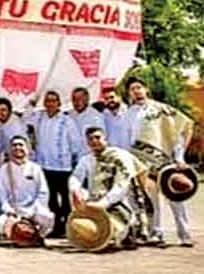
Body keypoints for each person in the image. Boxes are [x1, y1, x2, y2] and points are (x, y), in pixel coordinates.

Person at [124, 77, 195, 247]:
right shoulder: (128, 114)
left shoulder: (162, 109)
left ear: (146, 89)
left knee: (175, 197)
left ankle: (185, 234)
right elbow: (127, 139)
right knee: (151, 200)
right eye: (132, 89)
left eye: (139, 87)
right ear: (129, 93)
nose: (136, 91)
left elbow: (177, 133)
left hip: (165, 160)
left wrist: (179, 157)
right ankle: (156, 233)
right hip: (142, 163)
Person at [68, 126, 151, 251]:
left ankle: (129, 231)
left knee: (114, 231)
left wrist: (103, 203)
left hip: (120, 203)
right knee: (87, 227)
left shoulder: (121, 157)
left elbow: (122, 185)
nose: (94, 141)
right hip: (95, 202)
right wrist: (75, 191)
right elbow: (76, 177)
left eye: (97, 137)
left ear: (105, 138)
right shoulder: (86, 159)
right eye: (90, 139)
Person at [25, 90, 81, 237]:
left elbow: (75, 142)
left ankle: (69, 226)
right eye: (48, 101)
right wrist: (31, 103)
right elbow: (25, 118)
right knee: (51, 198)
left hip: (63, 165)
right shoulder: (39, 117)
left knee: (66, 198)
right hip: (45, 164)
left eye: (53, 101)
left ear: (59, 103)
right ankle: (56, 226)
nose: (50, 104)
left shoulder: (66, 120)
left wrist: (74, 159)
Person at [0, 135, 54, 243]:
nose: (17, 147)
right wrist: (9, 210)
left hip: (33, 209)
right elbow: (2, 194)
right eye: (14, 145)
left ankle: (37, 237)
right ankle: (19, 238)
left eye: (20, 145)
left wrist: (32, 210)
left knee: (48, 218)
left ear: (27, 148)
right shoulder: (4, 169)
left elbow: (43, 192)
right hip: (14, 210)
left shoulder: (35, 168)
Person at [67, 87, 106, 157]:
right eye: (74, 99)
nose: (77, 101)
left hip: (90, 157)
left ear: (87, 99)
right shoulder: (69, 115)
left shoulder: (96, 117)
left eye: (80, 98)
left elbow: (99, 139)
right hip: (73, 158)